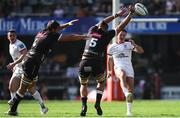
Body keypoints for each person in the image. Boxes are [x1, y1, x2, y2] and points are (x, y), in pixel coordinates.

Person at [6, 19, 88, 116]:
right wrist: (83, 36)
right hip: (32, 63)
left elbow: (57, 28)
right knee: (23, 88)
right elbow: (69, 37)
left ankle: (34, 106)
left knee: (31, 87)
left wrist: (67, 24)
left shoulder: (43, 31)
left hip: (31, 61)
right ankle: (13, 107)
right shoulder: (52, 35)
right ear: (54, 29)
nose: (58, 30)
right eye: (57, 29)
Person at [78, 6, 135, 116]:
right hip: (96, 63)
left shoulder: (91, 30)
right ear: (106, 28)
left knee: (83, 84)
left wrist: (116, 15)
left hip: (84, 61)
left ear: (99, 25)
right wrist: (130, 15)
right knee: (101, 82)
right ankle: (97, 104)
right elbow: (120, 26)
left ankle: (84, 106)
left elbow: (103, 21)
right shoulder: (106, 35)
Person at [6, 29, 48, 114]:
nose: (12, 37)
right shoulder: (11, 44)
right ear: (8, 37)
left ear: (16, 36)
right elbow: (16, 57)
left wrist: (13, 64)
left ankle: (43, 107)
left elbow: (24, 54)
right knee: (12, 87)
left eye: (13, 35)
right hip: (18, 68)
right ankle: (14, 110)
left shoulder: (19, 44)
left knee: (31, 89)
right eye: (10, 36)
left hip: (25, 67)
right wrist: (15, 66)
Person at [107, 30, 144, 116]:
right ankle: (125, 92)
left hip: (129, 68)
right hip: (118, 68)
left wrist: (134, 45)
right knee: (122, 74)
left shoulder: (129, 44)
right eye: (121, 34)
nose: (122, 36)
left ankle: (129, 111)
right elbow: (109, 60)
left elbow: (141, 51)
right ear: (117, 35)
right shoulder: (112, 47)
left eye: (124, 35)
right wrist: (109, 71)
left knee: (131, 90)